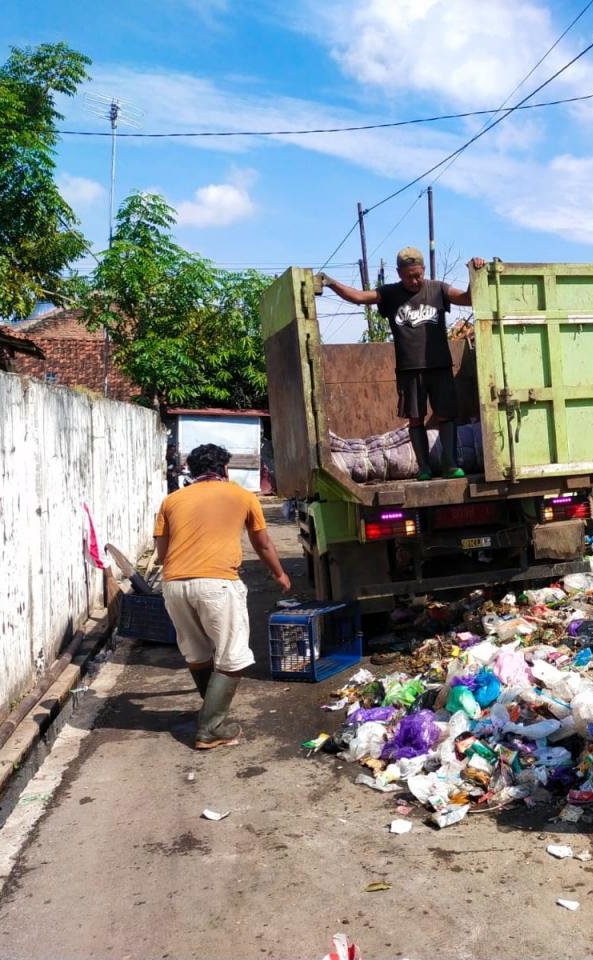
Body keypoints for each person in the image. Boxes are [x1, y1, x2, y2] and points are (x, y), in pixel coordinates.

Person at [153, 443, 291, 750]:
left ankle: (212, 713)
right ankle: (211, 727)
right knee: (233, 656)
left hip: (174, 586)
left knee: (198, 654)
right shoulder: (242, 496)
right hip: (217, 583)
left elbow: (162, 554)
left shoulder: (171, 500)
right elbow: (263, 543)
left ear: (191, 472)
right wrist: (279, 574)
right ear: (225, 470)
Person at [320, 248, 485, 480]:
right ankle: (424, 467)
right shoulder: (390, 293)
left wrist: (474, 273)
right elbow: (358, 297)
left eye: (418, 275)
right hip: (409, 370)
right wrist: (331, 283)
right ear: (399, 273)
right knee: (415, 419)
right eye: (409, 276)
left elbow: (467, 299)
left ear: (424, 270)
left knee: (446, 415)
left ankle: (450, 464)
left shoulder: (438, 289)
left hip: (439, 367)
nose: (414, 280)